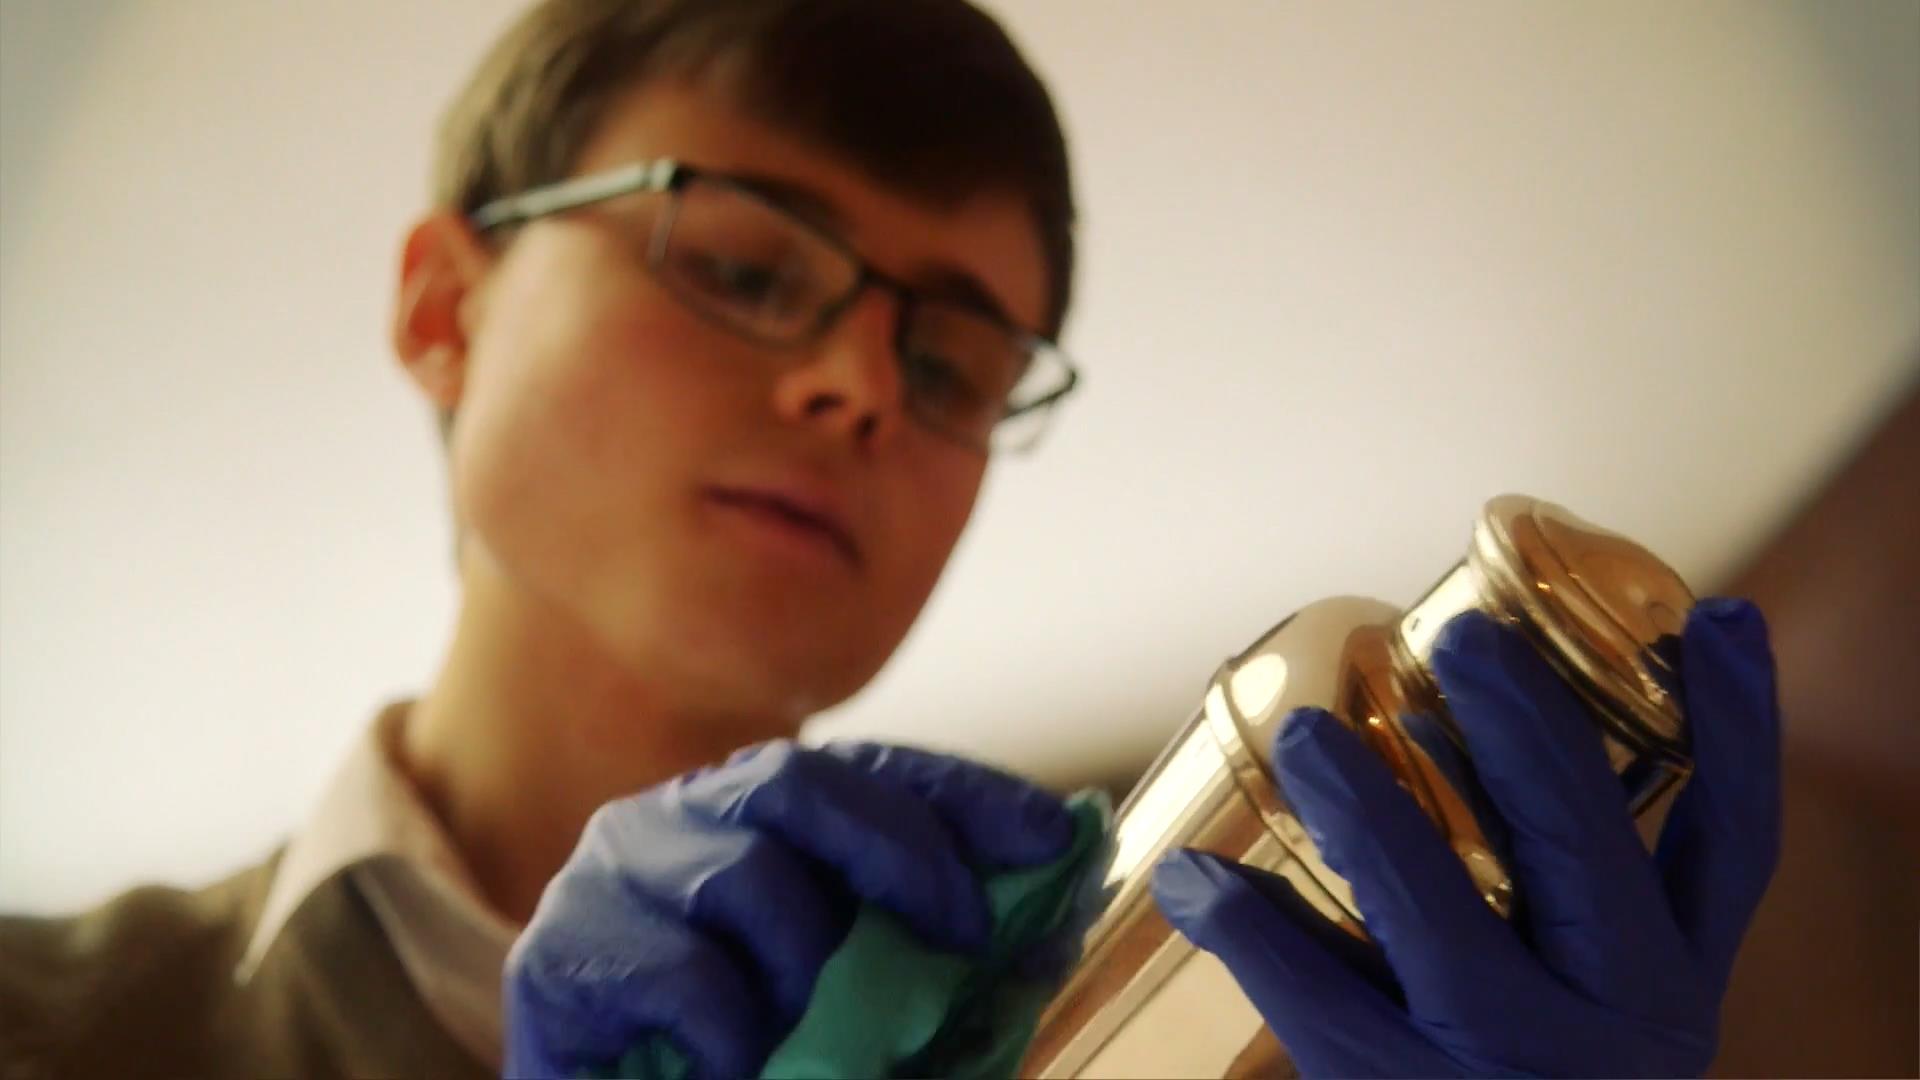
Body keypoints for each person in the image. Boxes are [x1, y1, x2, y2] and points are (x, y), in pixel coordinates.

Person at [0, 1, 1783, 1077]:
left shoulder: (1165, 1012)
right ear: (442, 308)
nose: (861, 384)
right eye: (747, 265)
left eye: (952, 358)